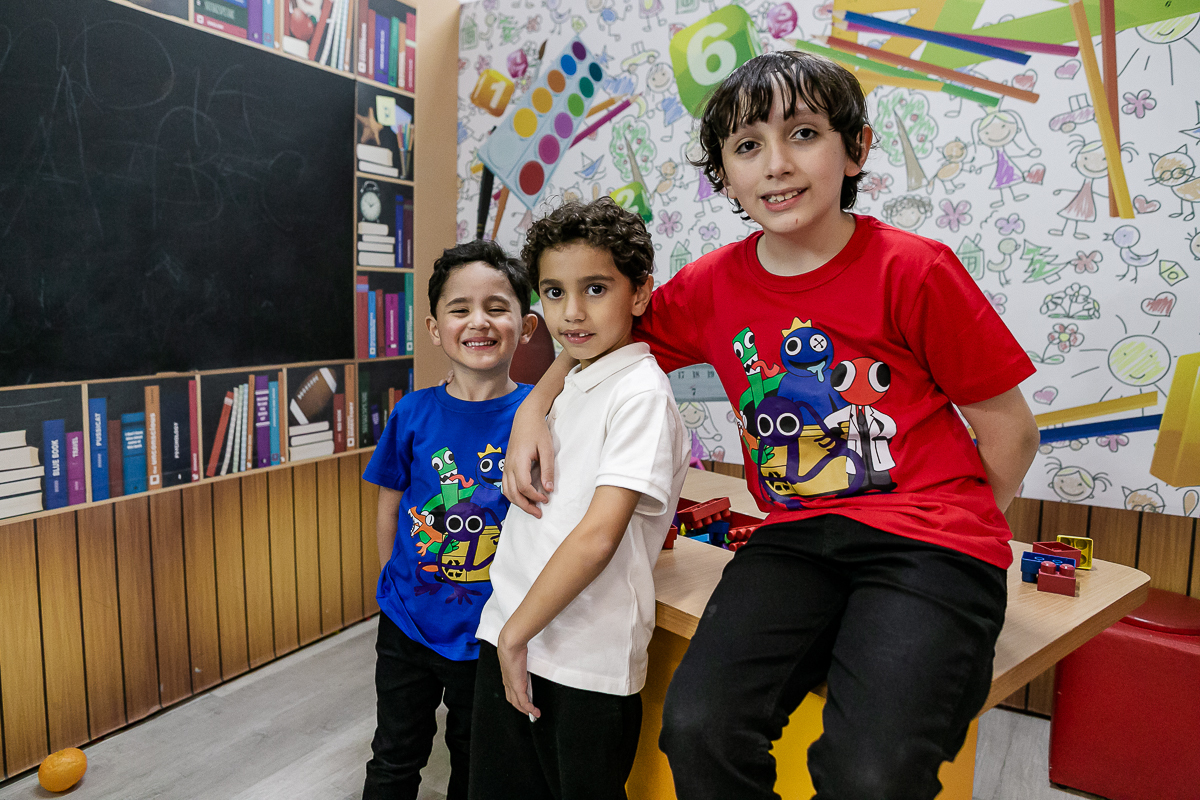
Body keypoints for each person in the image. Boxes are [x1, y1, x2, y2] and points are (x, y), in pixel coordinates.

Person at [502, 52, 1041, 800]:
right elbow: (605, 331)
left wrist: (951, 534)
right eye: (748, 146)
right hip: (796, 542)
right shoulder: (712, 285)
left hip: (929, 543)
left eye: (804, 133)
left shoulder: (914, 270)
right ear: (723, 172)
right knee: (698, 729)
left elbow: (1010, 432)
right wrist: (536, 403)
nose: (777, 164)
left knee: (870, 773)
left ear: (856, 148)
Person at [469, 198, 688, 800]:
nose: (572, 312)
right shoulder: (576, 375)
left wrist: (516, 636)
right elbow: (573, 351)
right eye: (554, 292)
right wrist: (510, 636)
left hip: (583, 662)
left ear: (640, 293)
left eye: (595, 288)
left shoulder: (640, 393)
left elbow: (596, 538)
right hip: (513, 632)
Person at [361, 239, 538, 800]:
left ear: (526, 326)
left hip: (491, 631)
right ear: (436, 329)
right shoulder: (411, 412)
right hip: (407, 621)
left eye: (497, 306)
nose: (478, 321)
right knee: (395, 751)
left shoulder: (542, 414)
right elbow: (391, 498)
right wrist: (390, 574)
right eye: (460, 309)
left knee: (477, 758)